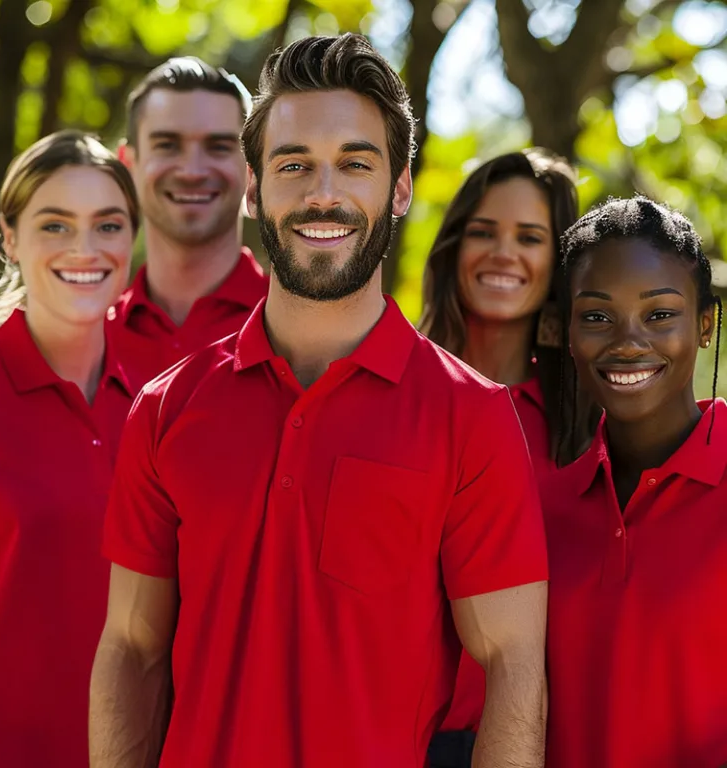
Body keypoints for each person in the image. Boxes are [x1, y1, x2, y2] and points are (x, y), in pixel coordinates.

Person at [90, 34, 548, 768]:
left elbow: (514, 667)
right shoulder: (165, 408)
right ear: (252, 186)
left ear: (399, 187)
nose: (322, 194)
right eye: (294, 164)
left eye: (355, 165)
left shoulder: (474, 417)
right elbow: (131, 646)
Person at [0, 131, 140, 767]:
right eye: (55, 225)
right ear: (9, 236)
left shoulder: (165, 405)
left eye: (108, 225)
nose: (85, 249)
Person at [421, 150, 599, 768]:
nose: (504, 253)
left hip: (528, 742)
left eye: (529, 237)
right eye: (483, 232)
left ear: (559, 264)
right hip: (391, 736)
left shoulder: (582, 426)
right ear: (452, 248)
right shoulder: (396, 392)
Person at [542, 196, 727, 767]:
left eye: (660, 314)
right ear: (565, 332)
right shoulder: (540, 509)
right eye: (597, 316)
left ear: (705, 324)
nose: (627, 341)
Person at [108, 56, 268, 383]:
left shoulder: (298, 332)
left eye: (218, 147)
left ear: (252, 169)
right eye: (167, 145)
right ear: (128, 165)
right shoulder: (85, 338)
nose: (192, 171)